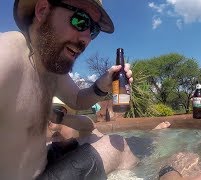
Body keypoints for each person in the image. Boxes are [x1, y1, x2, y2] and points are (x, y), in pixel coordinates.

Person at [0, 0, 138, 179]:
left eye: (93, 30)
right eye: (81, 20)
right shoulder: (7, 55)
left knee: (94, 136)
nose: (86, 39)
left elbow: (78, 99)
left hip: (43, 163)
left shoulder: (48, 66)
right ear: (42, 11)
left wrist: (103, 84)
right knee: (118, 145)